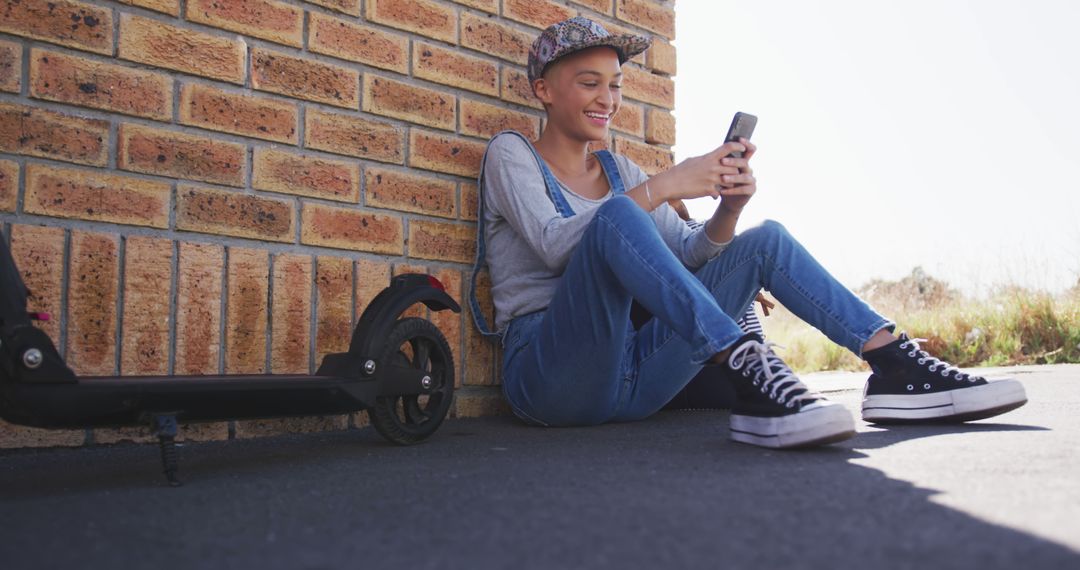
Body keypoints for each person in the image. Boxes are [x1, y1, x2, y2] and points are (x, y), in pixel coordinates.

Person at [469, 17, 1027, 449]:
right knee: (619, 216)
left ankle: (893, 363)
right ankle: (749, 363)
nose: (607, 100)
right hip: (547, 376)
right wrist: (666, 184)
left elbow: (691, 253)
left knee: (766, 237)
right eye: (589, 83)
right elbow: (552, 244)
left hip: (631, 378)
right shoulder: (512, 154)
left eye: (614, 85)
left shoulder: (623, 174)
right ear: (543, 89)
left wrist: (728, 212)